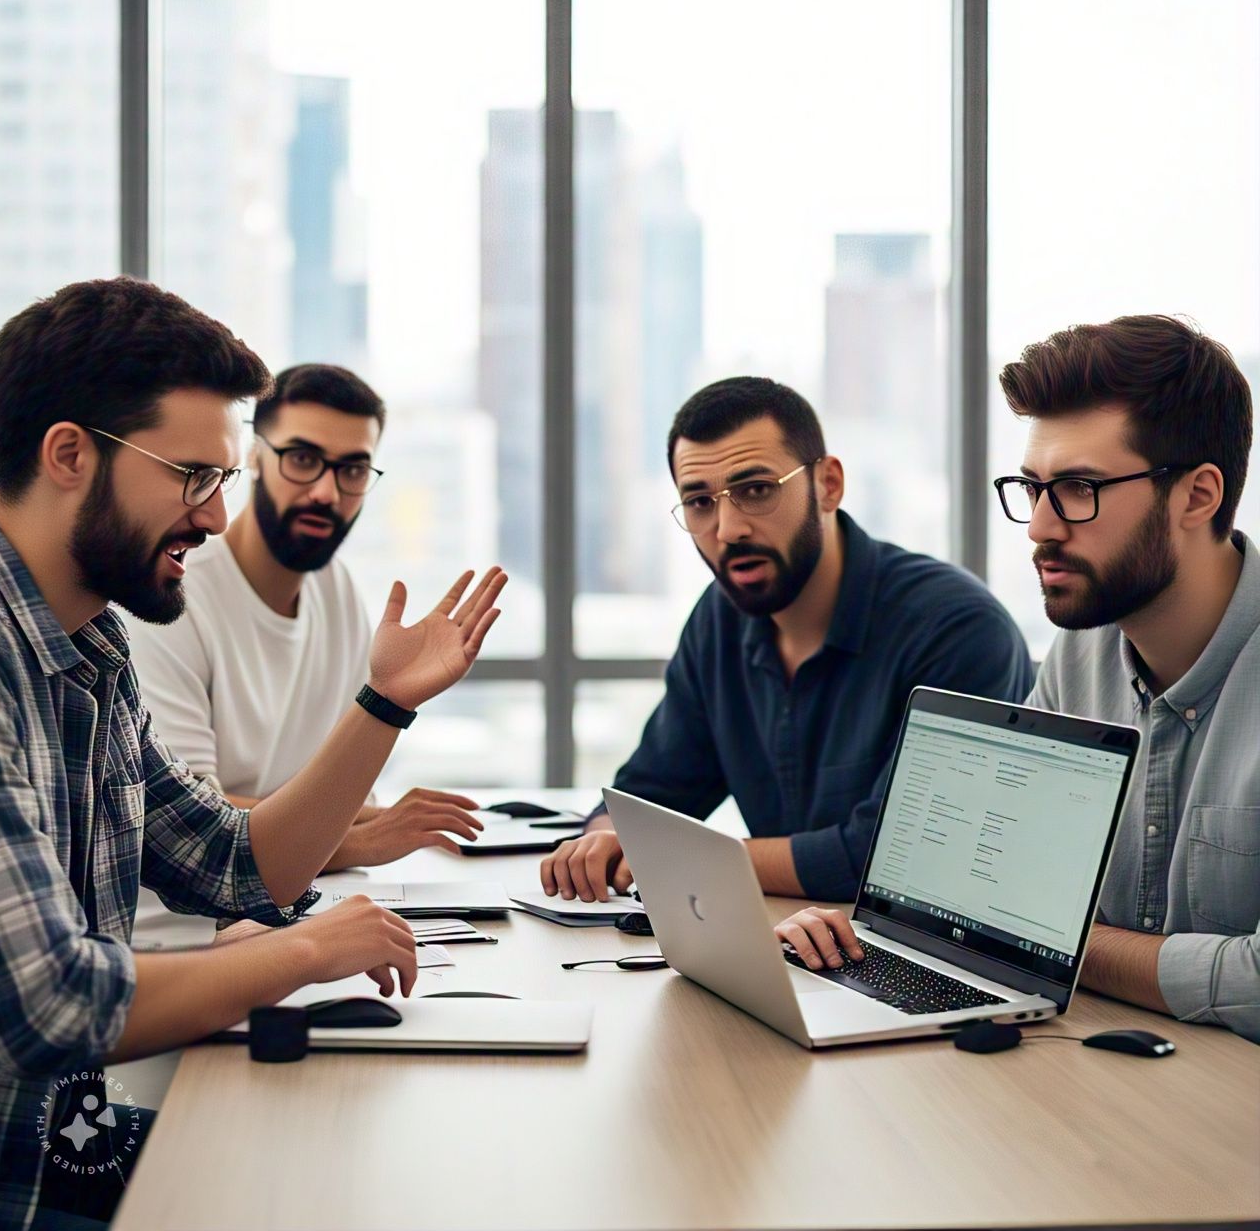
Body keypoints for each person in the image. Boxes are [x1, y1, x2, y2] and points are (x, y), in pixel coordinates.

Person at [0, 277, 506, 1229]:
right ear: (68, 455)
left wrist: (385, 702)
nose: (219, 517)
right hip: (5, 1188)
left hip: (59, 1145)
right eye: (193, 476)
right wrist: (305, 949)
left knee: (361, 1182)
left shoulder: (92, 648)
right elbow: (52, 1005)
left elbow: (237, 864)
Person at [777, 316, 1260, 1043]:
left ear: (1197, 496)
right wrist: (860, 935)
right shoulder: (1079, 655)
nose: (1038, 526)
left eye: (1076, 488)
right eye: (1031, 488)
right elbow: (991, 903)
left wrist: (1056, 949)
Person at [542, 376, 1033, 904]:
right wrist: (602, 841)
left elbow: (892, 857)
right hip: (791, 938)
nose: (728, 528)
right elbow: (652, 793)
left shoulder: (956, 629)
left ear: (828, 484)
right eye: (700, 502)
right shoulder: (719, 619)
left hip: (934, 952)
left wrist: (671, 854)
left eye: (755, 491)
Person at [127, 364, 483, 875]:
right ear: (253, 457)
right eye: (302, 459)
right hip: (187, 928)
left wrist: (387, 816)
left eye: (353, 470)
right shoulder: (172, 595)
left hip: (293, 904)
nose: (326, 492)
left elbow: (335, 789)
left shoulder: (336, 590)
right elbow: (191, 823)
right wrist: (370, 837)